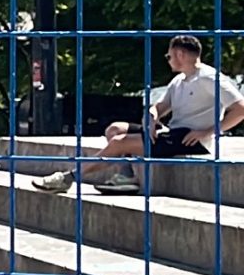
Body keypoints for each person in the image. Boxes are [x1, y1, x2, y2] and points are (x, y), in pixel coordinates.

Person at [36, 35, 244, 194]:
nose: (168, 60)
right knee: (115, 128)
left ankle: (68, 178)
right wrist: (152, 117)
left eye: (169, 56)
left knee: (120, 142)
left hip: (191, 139)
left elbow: (240, 109)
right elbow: (161, 106)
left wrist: (207, 132)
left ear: (180, 55)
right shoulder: (180, 80)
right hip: (174, 133)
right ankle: (127, 176)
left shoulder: (210, 78)